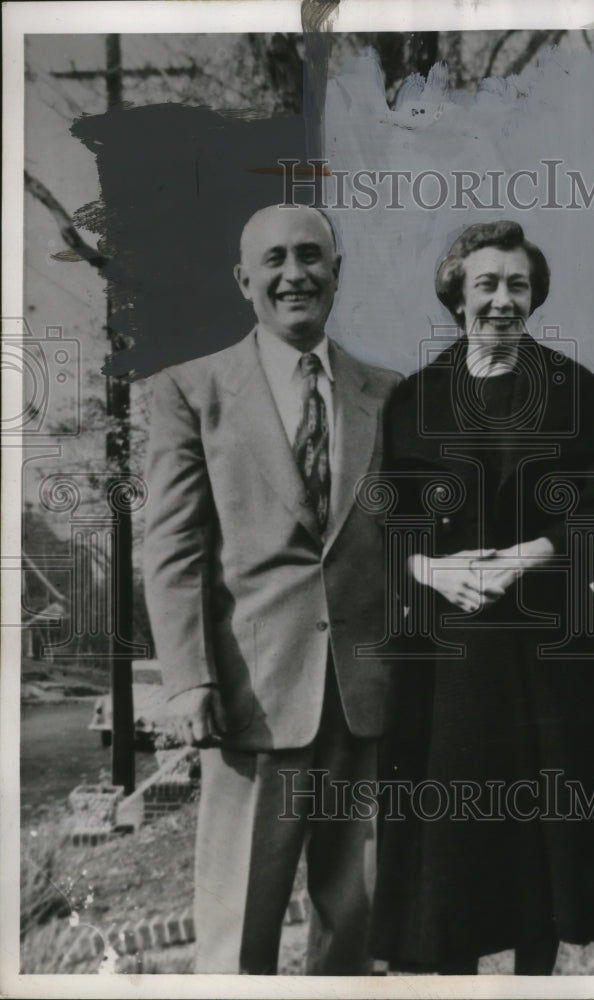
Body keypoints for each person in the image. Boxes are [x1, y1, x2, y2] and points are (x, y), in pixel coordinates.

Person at [371, 220, 594, 975]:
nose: (503, 301)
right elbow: (383, 516)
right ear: (457, 295)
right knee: (455, 844)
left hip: (551, 651)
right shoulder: (412, 400)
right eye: (487, 284)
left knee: (545, 846)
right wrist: (426, 570)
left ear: (533, 296)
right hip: (450, 657)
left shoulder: (578, 392)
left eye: (518, 285)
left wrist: (540, 552)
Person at [143, 204, 401, 974]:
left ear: (336, 271)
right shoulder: (192, 390)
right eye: (277, 260)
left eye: (312, 257)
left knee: (351, 912)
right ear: (244, 279)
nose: (296, 275)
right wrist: (187, 679)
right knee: (238, 921)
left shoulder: (386, 393)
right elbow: (174, 545)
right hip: (253, 696)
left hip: (362, 697)